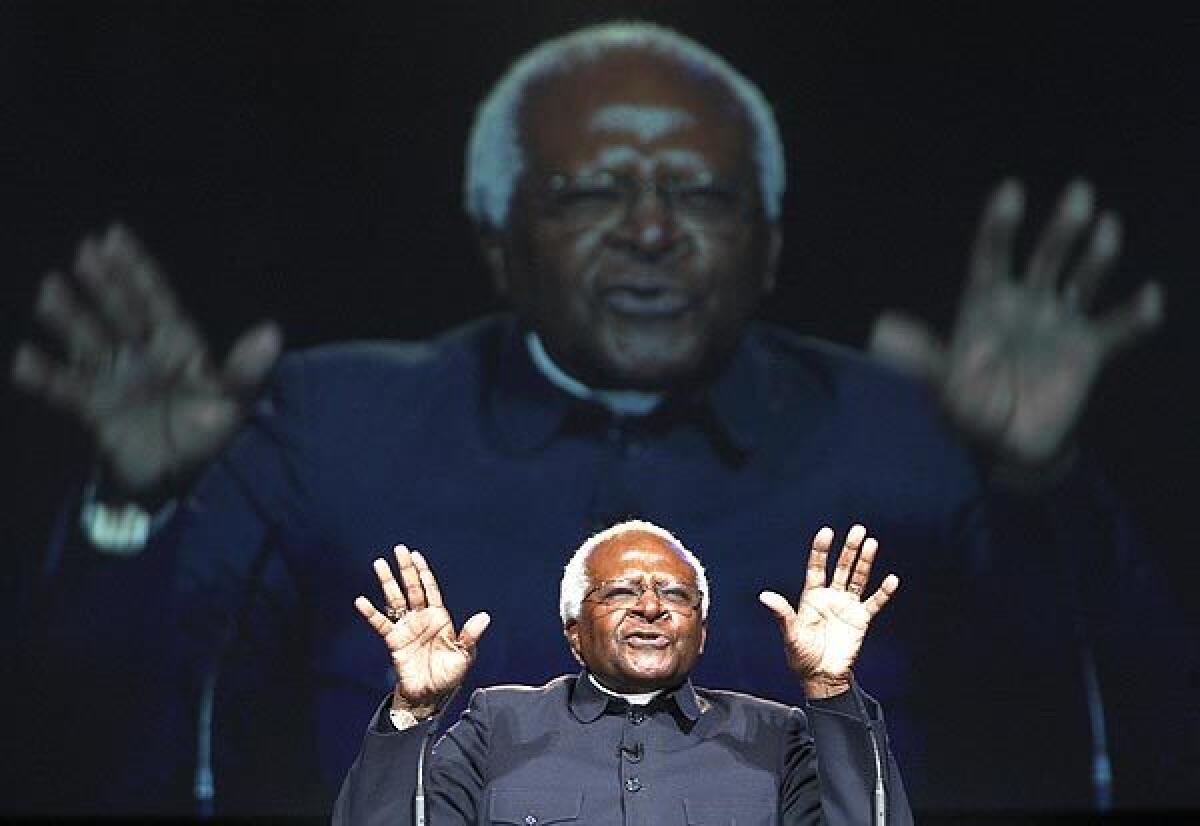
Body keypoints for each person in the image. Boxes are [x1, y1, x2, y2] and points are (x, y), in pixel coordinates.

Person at [10, 21, 1192, 815]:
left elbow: (1129, 727)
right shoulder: (335, 426)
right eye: (588, 190)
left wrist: (1039, 477)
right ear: (496, 241)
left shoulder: (901, 431)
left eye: (701, 192)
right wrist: (138, 503)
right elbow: (112, 738)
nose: (649, 227)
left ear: (771, 246)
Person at [334, 520, 912, 826]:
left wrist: (831, 691)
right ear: (573, 631)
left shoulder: (772, 736)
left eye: (676, 595)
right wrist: (413, 714)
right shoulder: (498, 724)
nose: (652, 608)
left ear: (701, 631)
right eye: (621, 592)